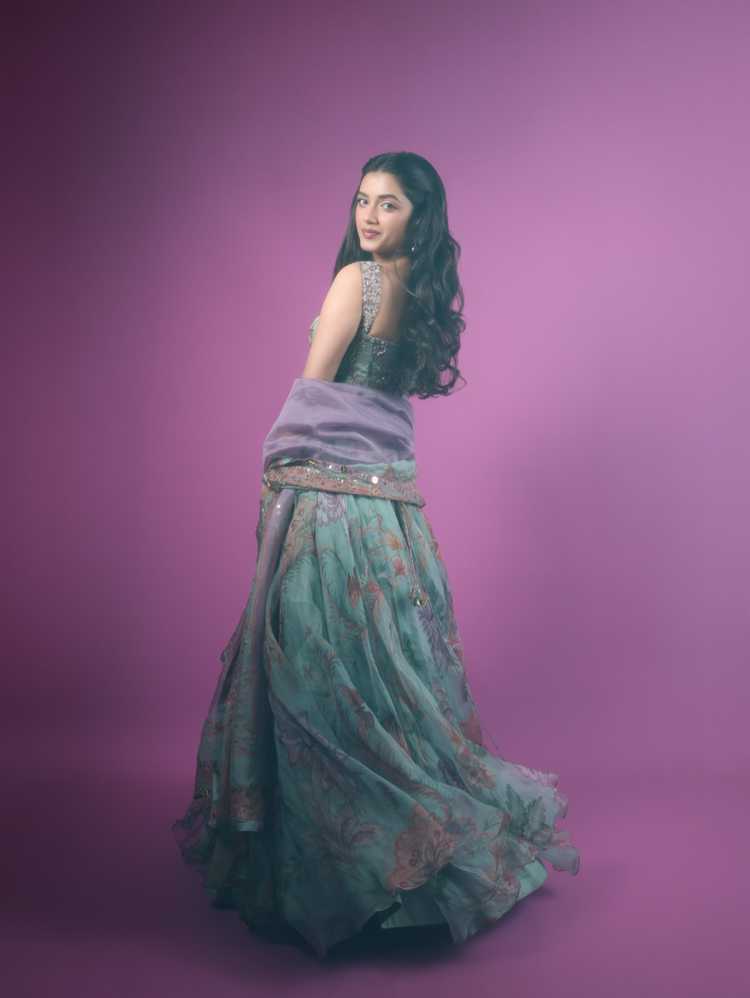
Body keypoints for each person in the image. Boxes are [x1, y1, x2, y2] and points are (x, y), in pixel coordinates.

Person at [171, 151, 581, 961]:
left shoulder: (356, 281)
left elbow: (314, 392)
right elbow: (383, 409)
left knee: (316, 679)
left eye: (389, 204)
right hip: (391, 519)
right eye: (362, 199)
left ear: (418, 219)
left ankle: (335, 875)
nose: (368, 215)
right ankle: (393, 867)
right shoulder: (417, 297)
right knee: (381, 683)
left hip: (330, 513)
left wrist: (274, 473)